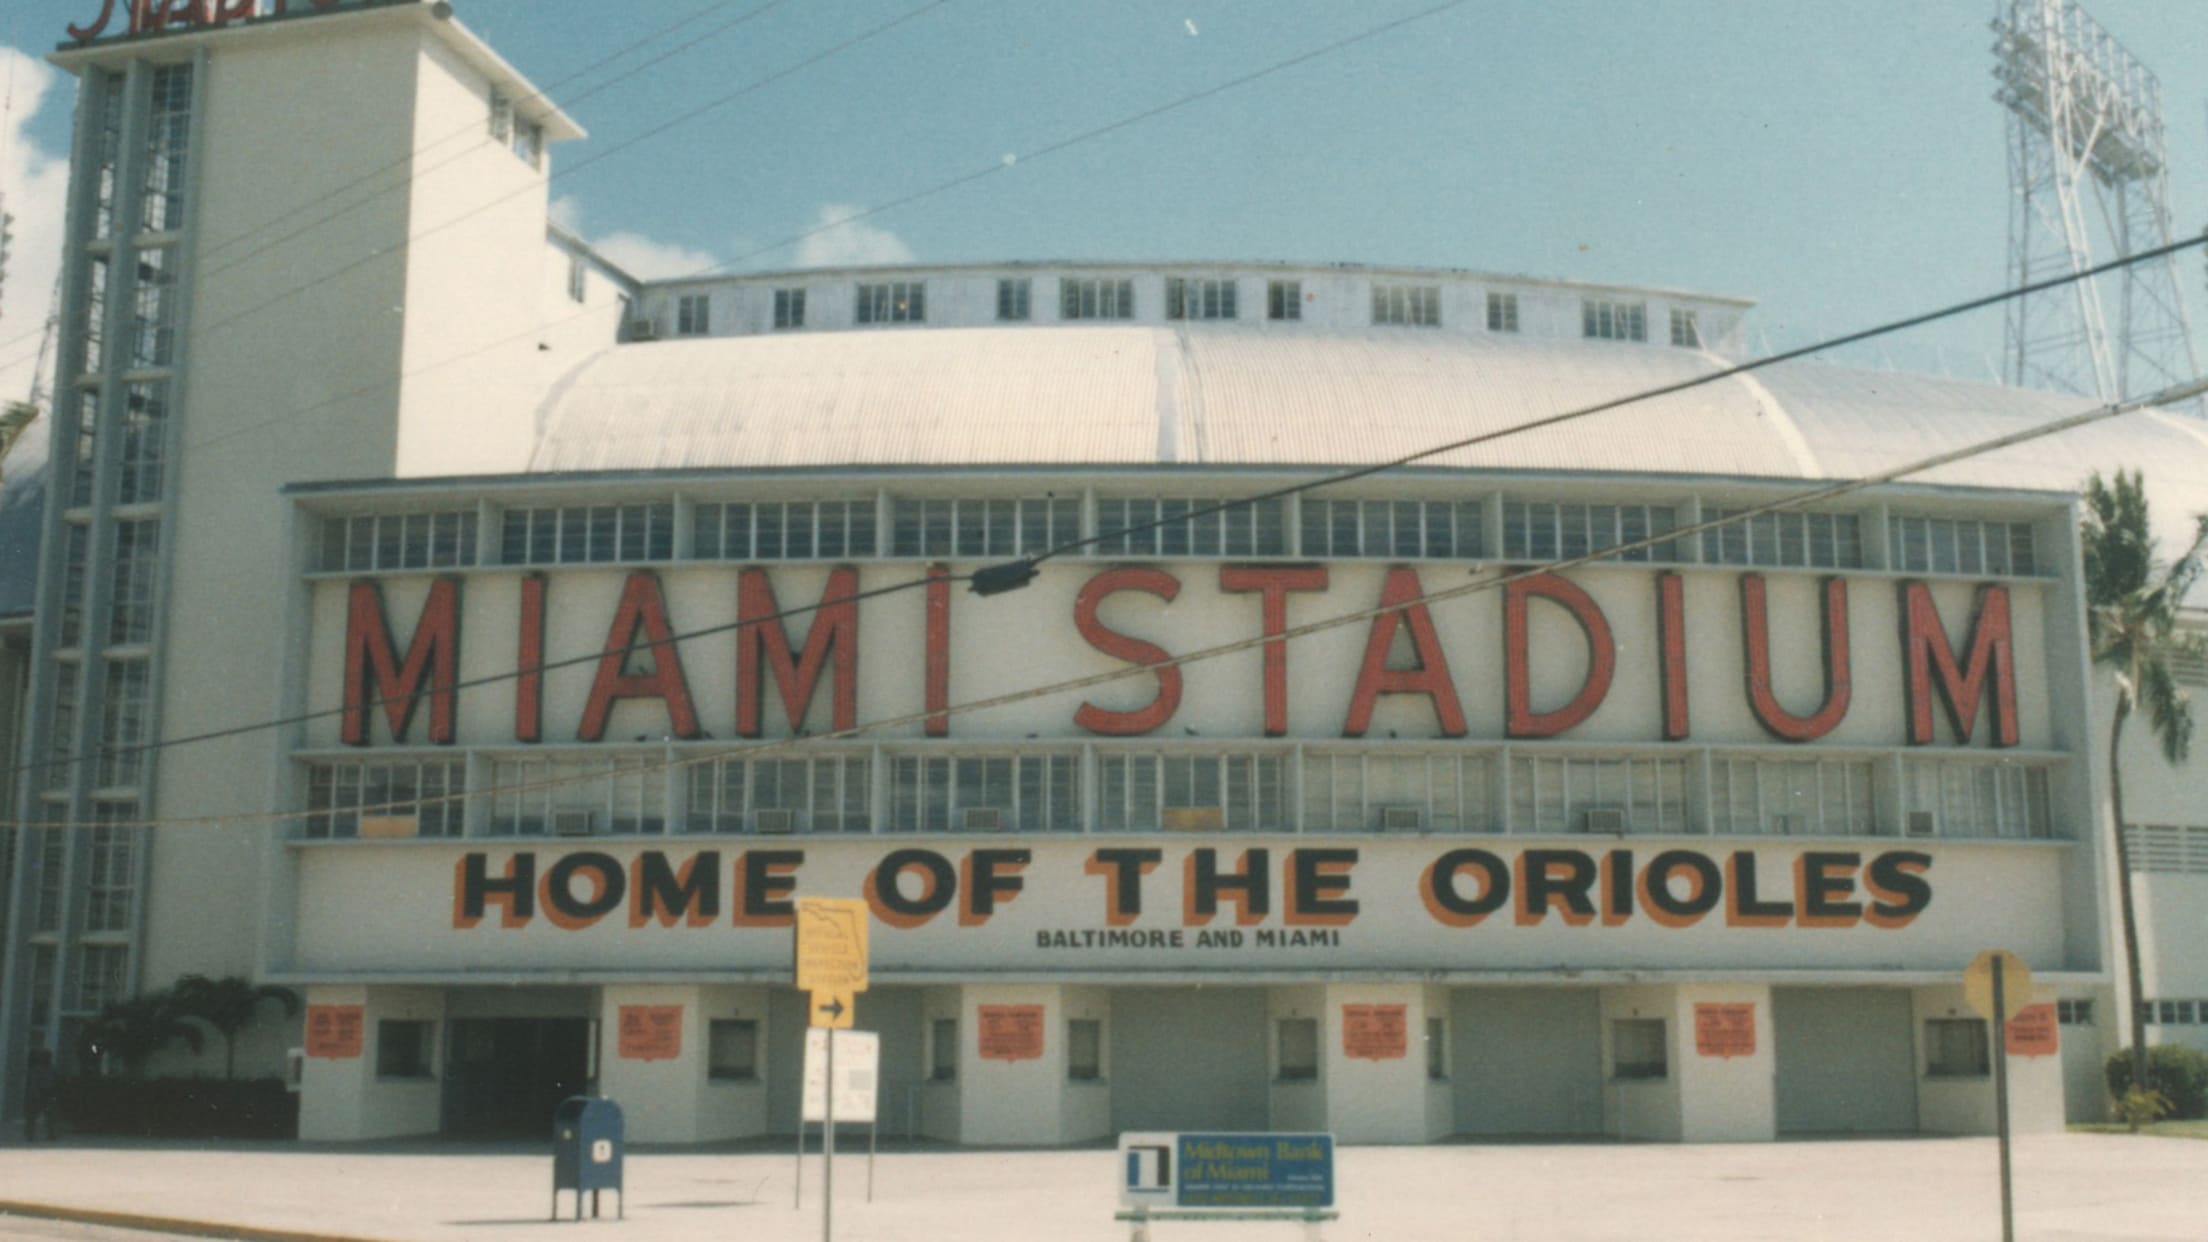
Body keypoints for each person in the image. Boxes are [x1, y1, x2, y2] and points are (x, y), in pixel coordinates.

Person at [23, 1049, 56, 1143]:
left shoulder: (50, 1069)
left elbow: (53, 1082)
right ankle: (30, 1134)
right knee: (32, 1116)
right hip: (37, 1094)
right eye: (44, 1057)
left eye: (47, 1057)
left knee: (49, 1115)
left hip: (47, 1094)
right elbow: (33, 1083)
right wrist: (35, 1094)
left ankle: (51, 1134)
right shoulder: (36, 1069)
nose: (46, 1059)